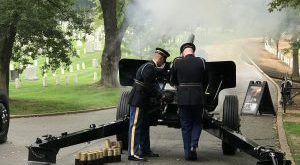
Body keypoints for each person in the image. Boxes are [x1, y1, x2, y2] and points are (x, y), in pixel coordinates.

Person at [128, 48, 170, 161]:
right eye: (164, 61)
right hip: (138, 100)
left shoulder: (149, 67)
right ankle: (132, 153)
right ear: (160, 58)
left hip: (143, 101)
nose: (163, 64)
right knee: (135, 126)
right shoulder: (149, 67)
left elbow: (155, 75)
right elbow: (149, 85)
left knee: (144, 126)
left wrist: (166, 71)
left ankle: (145, 150)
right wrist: (161, 95)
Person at [170, 42, 207, 161]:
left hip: (183, 98)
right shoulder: (201, 61)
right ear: (193, 52)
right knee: (197, 122)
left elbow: (172, 80)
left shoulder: (177, 62)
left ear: (182, 53)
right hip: (198, 98)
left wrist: (179, 86)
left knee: (186, 125)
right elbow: (206, 80)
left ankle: (187, 153)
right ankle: (193, 145)